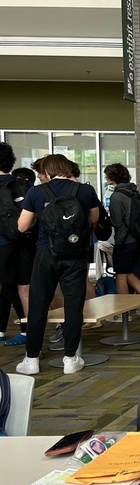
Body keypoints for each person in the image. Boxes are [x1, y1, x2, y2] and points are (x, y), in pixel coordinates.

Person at [15, 154, 100, 376]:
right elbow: (93, 219)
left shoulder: (36, 192)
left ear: (48, 171)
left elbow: (22, 226)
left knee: (38, 305)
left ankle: (31, 358)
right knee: (74, 306)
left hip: (45, 254)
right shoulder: (85, 191)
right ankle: (71, 358)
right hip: (76, 254)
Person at [0, 145, 32, 347]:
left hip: (2, 243)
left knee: (6, 288)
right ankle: (29, 334)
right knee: (25, 289)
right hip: (25, 242)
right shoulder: (23, 185)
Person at [105, 163, 140, 296]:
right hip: (138, 238)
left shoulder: (117, 196)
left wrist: (106, 219)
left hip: (124, 240)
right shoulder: (133, 192)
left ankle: (123, 311)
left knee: (121, 275)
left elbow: (117, 222)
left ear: (113, 177)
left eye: (107, 176)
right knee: (129, 272)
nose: (106, 179)